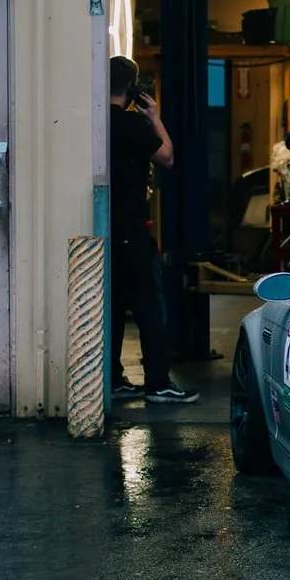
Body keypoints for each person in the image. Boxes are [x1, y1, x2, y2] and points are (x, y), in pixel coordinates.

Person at [109, 56, 197, 405]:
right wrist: (155, 119)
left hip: (102, 230)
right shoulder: (133, 125)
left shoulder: (91, 122)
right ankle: (158, 382)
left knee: (112, 307)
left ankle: (112, 379)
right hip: (131, 230)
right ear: (133, 89)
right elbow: (167, 157)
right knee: (148, 307)